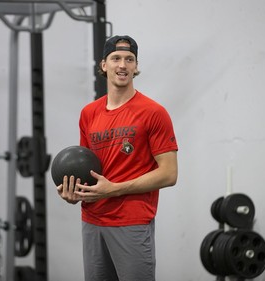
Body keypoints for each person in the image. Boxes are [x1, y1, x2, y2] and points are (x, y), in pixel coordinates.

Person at [57, 35, 178, 281]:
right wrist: (73, 193)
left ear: (135, 66)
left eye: (129, 59)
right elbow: (85, 169)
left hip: (131, 221)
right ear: (104, 65)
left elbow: (169, 173)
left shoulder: (154, 112)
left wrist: (114, 190)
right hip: (92, 220)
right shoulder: (89, 113)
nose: (122, 65)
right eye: (116, 58)